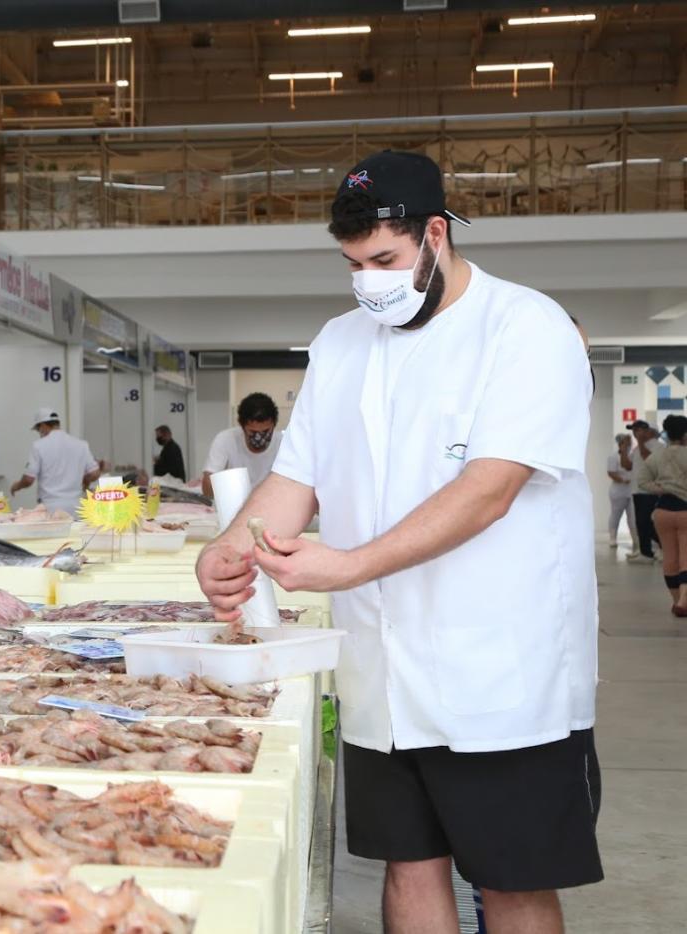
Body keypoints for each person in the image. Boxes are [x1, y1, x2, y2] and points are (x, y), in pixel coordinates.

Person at [197, 150, 599, 933]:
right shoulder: (341, 342)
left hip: (499, 675)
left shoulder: (526, 328)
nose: (367, 279)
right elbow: (297, 480)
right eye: (352, 263)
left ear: (436, 235)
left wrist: (345, 566)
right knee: (408, 868)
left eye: (383, 259)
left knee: (513, 882)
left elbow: (488, 491)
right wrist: (232, 547)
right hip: (380, 671)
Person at [10, 408, 102, 513]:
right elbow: (95, 473)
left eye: (38, 429)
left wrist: (16, 486)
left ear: (43, 426)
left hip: (50, 507)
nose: (39, 433)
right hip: (77, 506)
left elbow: (28, 480)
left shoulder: (39, 446)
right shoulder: (81, 444)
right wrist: (85, 480)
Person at [640, 415, 687, 616]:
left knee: (670, 556)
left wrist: (659, 488)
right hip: (685, 510)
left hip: (662, 512)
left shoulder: (657, 455)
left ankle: (676, 600)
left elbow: (641, 480)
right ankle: (684, 601)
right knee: (686, 556)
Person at [200, 393, 283, 498]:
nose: (259, 437)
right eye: (253, 432)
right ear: (242, 426)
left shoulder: (283, 444)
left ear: (274, 425)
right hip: (233, 505)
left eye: (266, 431)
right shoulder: (225, 439)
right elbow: (207, 489)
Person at [627, 419, 664, 563]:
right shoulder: (637, 448)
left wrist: (641, 442)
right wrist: (624, 450)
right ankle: (644, 551)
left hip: (648, 491)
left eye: (638, 430)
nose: (635, 433)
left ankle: (660, 547)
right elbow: (628, 465)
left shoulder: (658, 447)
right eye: (634, 430)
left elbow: (648, 458)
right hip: (637, 490)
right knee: (641, 523)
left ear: (649, 431)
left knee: (647, 523)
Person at [606, 434, 637, 553]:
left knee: (633, 516)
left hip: (632, 490)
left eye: (630, 442)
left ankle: (635, 539)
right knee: (616, 514)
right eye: (626, 442)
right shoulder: (613, 457)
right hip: (618, 490)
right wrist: (623, 480)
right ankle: (613, 538)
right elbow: (611, 472)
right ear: (620, 443)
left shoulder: (633, 455)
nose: (629, 445)